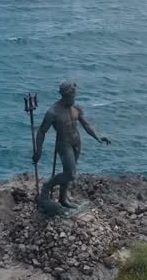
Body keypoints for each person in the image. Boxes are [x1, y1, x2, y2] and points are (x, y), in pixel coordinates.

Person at [33, 80, 110, 209]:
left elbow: (86, 124)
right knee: (70, 174)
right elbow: (42, 131)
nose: (74, 99)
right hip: (64, 144)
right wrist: (38, 150)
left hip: (76, 142)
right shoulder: (53, 112)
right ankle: (46, 187)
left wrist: (98, 137)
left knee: (67, 172)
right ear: (65, 96)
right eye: (72, 96)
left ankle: (63, 199)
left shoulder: (76, 107)